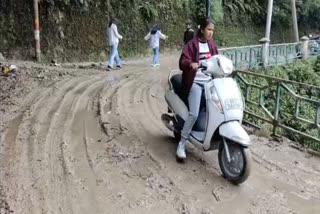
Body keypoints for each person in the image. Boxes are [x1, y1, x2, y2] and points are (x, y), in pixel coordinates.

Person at [176, 17, 218, 159]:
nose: (211, 33)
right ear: (201, 29)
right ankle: (182, 143)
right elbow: (182, 61)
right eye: (209, 29)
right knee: (193, 113)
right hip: (195, 82)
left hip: (209, 83)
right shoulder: (192, 44)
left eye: (212, 30)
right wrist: (190, 64)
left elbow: (217, 60)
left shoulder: (212, 45)